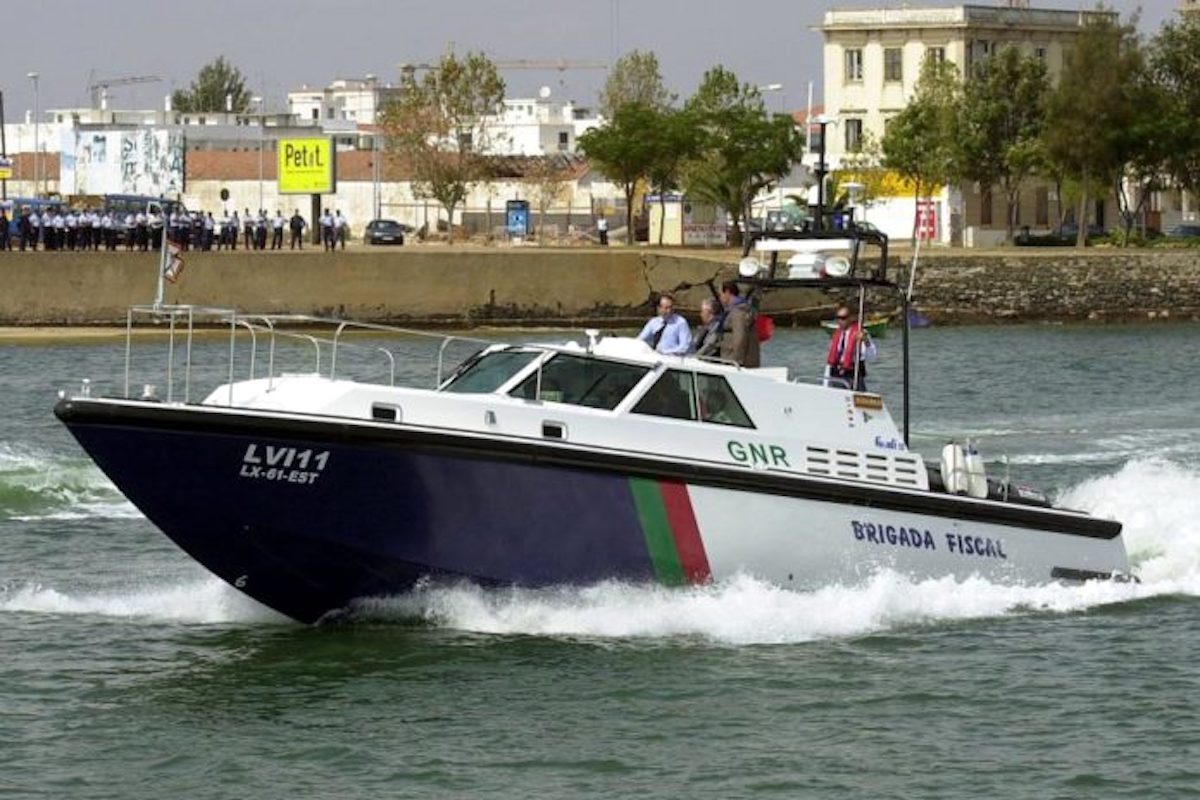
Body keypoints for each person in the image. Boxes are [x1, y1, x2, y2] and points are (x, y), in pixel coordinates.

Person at [825, 303, 877, 391]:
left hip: (853, 375)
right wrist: (826, 382)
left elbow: (872, 356)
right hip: (836, 375)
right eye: (838, 318)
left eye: (843, 318)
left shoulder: (860, 333)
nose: (839, 321)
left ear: (851, 318)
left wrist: (866, 341)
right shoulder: (837, 334)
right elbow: (831, 359)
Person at [718, 280, 760, 367]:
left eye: (720, 294)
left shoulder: (738, 311)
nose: (720, 297)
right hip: (729, 357)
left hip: (733, 361)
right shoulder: (734, 310)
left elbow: (739, 336)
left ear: (727, 292)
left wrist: (736, 361)